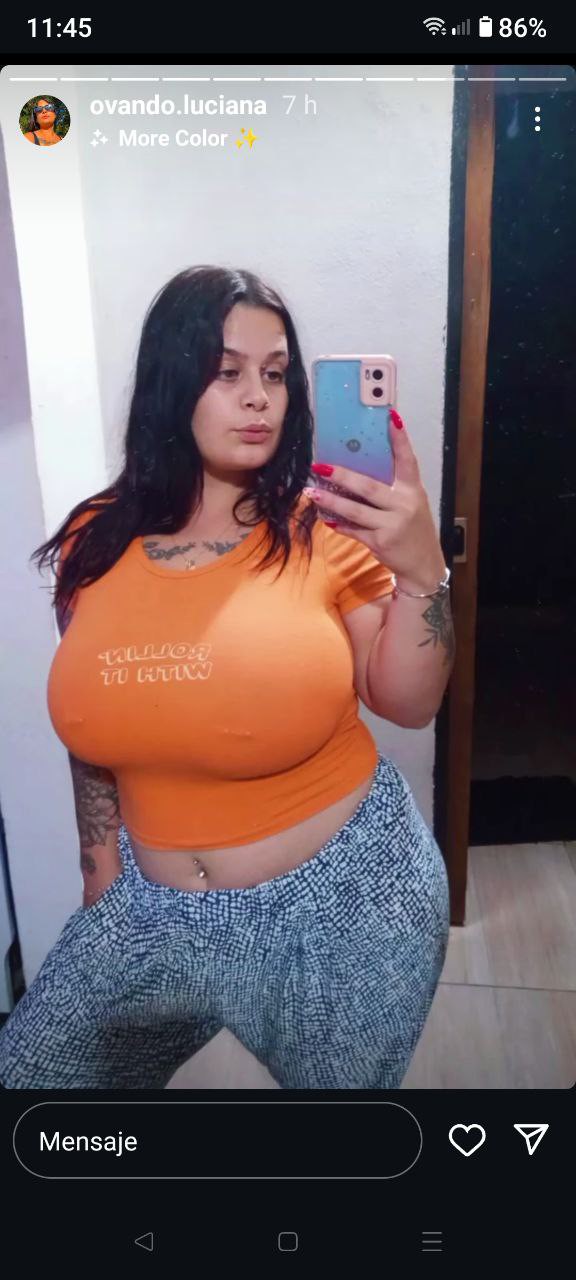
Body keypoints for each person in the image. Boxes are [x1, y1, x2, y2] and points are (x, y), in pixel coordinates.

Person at [0, 266, 454, 1090]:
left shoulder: (325, 525)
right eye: (227, 371)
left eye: (275, 375)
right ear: (171, 383)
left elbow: (410, 703)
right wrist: (99, 864)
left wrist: (423, 573)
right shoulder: (94, 540)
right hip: (148, 906)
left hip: (342, 904)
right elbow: (99, 718)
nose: (258, 399)